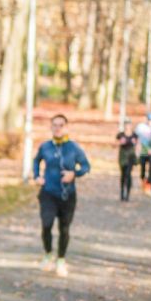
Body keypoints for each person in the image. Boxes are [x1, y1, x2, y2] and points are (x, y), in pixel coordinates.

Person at [32, 114, 91, 278]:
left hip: (67, 195)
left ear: (66, 128)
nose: (57, 128)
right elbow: (36, 161)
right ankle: (48, 254)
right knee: (46, 224)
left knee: (64, 229)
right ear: (51, 128)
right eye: (54, 125)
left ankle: (61, 259)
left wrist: (74, 174)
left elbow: (86, 166)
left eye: (61, 125)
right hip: (48, 193)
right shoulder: (45, 147)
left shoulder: (73, 148)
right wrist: (37, 176)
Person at [115, 119, 139, 201]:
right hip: (122, 157)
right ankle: (122, 193)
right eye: (126, 125)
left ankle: (127, 194)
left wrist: (137, 155)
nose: (127, 127)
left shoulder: (134, 135)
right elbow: (115, 143)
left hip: (131, 157)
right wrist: (120, 142)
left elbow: (137, 145)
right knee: (123, 174)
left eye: (129, 125)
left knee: (128, 175)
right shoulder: (120, 135)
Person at [135, 112, 151, 191]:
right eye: (149, 120)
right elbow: (137, 139)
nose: (150, 121)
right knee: (142, 169)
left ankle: (149, 185)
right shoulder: (140, 127)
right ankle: (143, 184)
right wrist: (137, 151)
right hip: (142, 152)